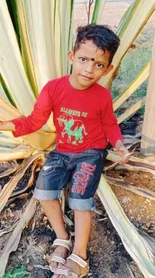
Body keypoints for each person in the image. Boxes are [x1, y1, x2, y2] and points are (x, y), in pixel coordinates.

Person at [0, 24, 129, 278]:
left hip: (91, 152)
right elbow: (34, 121)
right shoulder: (54, 88)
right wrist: (5, 125)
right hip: (62, 151)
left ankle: (80, 255)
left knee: (80, 199)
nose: (89, 69)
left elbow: (110, 124)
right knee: (45, 191)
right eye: (83, 59)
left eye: (99, 64)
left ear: (108, 69)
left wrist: (119, 143)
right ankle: (63, 237)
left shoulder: (102, 96)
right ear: (72, 57)